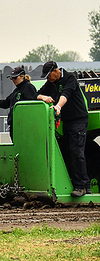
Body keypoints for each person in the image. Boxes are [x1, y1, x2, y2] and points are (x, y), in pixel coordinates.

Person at [36, 61, 90, 197]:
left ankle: (81, 186)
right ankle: (84, 184)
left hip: (78, 120)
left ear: (56, 71)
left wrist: (58, 107)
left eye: (49, 76)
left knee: (76, 151)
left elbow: (65, 95)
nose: (48, 79)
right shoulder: (51, 83)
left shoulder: (70, 78)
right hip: (68, 122)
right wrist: (44, 97)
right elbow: (37, 94)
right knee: (69, 151)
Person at [0, 66, 37, 140]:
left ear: (22, 76)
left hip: (23, 125)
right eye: (11, 78)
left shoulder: (28, 87)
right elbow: (6, 103)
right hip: (15, 124)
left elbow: (31, 106)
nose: (13, 80)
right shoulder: (17, 90)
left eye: (15, 78)